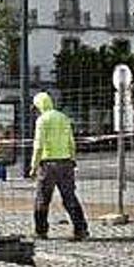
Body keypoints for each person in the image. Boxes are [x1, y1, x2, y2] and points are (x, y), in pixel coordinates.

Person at [29, 92, 89, 240]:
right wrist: (73, 159)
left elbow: (38, 146)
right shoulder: (63, 118)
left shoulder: (42, 120)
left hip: (48, 165)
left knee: (42, 199)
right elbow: (71, 143)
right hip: (66, 163)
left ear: (39, 106)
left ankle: (41, 231)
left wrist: (33, 166)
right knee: (69, 197)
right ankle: (80, 229)